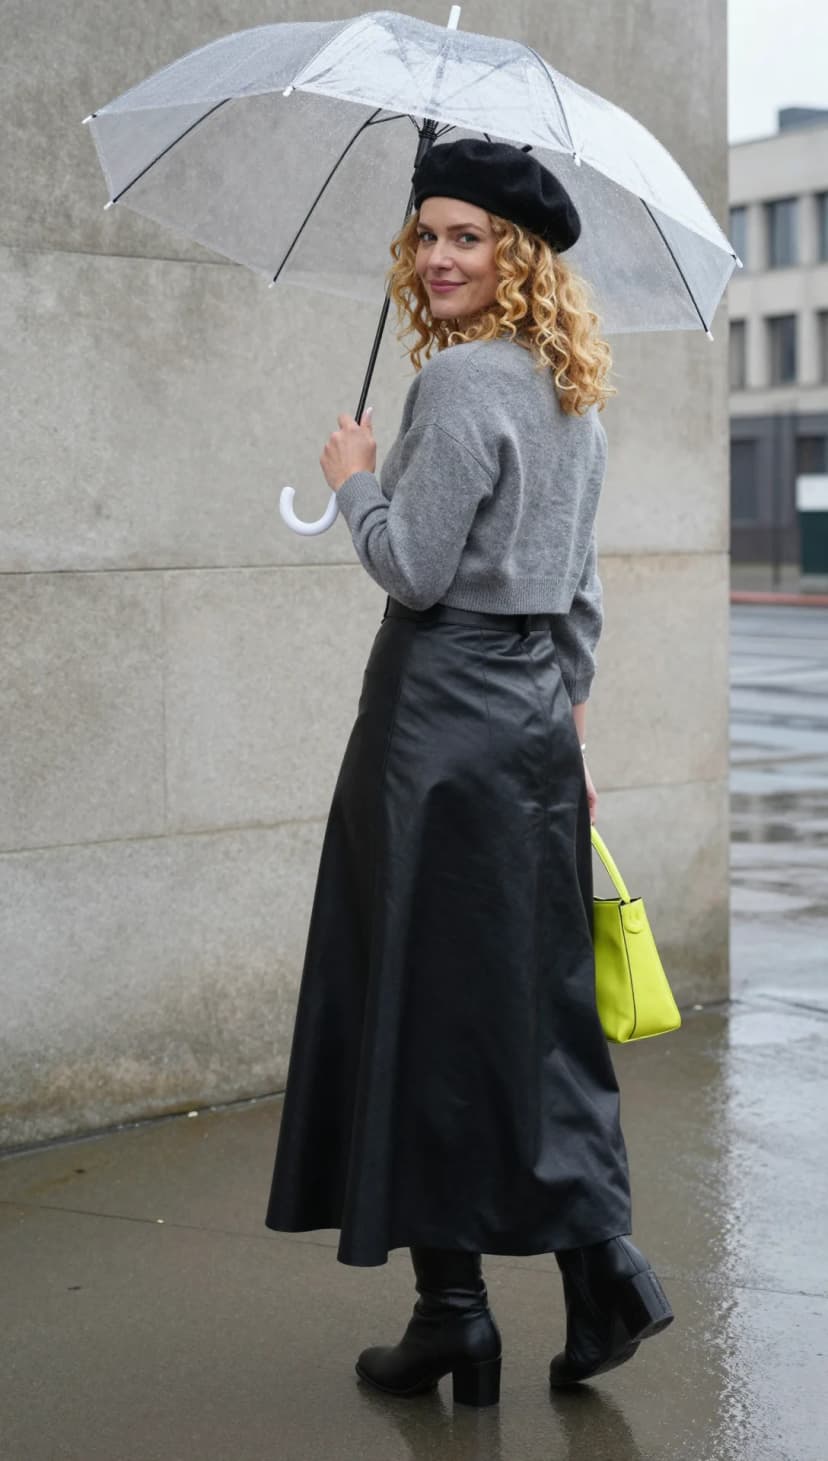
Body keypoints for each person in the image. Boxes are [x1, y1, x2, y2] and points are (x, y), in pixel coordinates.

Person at [264, 138, 673, 1407]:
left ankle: (463, 1313)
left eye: (468, 237)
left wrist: (352, 485)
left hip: (434, 728)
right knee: (524, 1010)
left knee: (417, 1005)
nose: (440, 257)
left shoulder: (460, 387)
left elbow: (414, 571)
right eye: (429, 234)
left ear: (518, 257)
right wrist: (567, 737)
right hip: (532, 725)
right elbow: (584, 597)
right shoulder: (571, 396)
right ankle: (579, 1271)